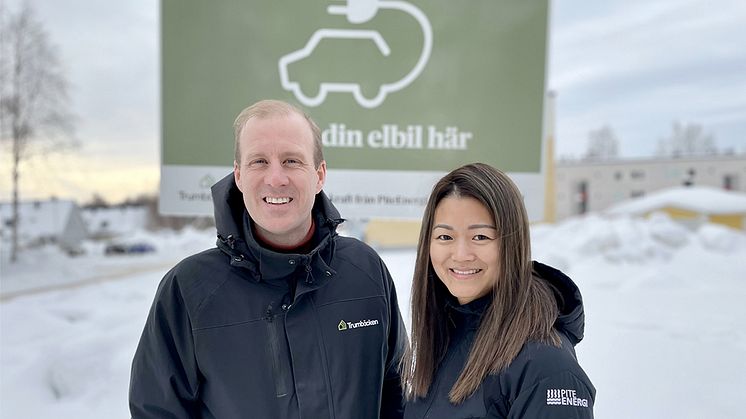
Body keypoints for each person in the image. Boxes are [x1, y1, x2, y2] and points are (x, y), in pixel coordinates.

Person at [129, 99, 407, 418]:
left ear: (319, 175)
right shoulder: (190, 289)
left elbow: (399, 391)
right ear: (239, 175)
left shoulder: (365, 270)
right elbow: (158, 410)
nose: (276, 178)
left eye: (291, 161)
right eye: (259, 161)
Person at [402, 163, 595, 418]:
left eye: (480, 237)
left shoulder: (545, 366)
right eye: (445, 237)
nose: (460, 255)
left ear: (511, 243)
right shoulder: (444, 340)